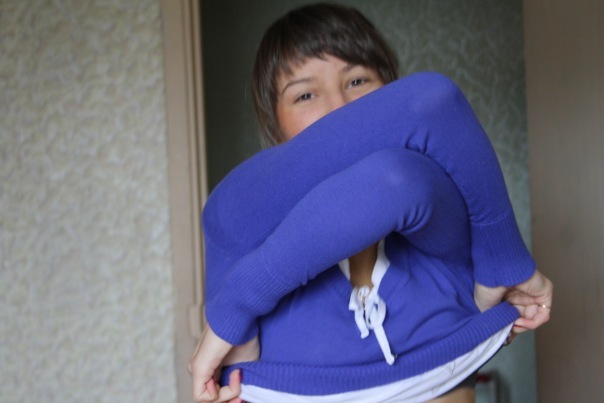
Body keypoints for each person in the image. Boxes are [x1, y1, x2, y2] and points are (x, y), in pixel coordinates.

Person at [189, 3, 553, 403]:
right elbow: (224, 212)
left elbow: (400, 166)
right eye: (305, 94)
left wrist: (503, 259)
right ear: (274, 125)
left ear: (392, 91)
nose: (341, 109)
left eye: (358, 80)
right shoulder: (241, 226)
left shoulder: (440, 215)